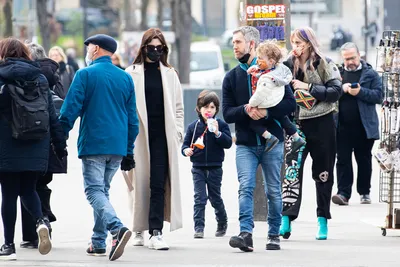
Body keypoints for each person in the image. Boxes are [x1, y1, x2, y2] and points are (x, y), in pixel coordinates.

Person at [59, 34, 139, 261]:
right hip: (117, 146)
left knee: (93, 191)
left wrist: (59, 136)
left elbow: (69, 110)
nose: (87, 50)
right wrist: (129, 150)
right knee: (102, 192)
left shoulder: (85, 75)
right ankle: (97, 242)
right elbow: (133, 119)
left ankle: (117, 228)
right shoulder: (124, 78)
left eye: (89, 46)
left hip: (94, 143)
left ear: (96, 49)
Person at [222, 26, 296, 252]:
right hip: (245, 144)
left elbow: (290, 104)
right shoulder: (232, 77)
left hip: (272, 142)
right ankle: (246, 234)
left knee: (273, 190)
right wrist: (246, 110)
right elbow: (226, 113)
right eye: (233, 42)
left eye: (238, 42)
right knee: (245, 187)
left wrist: (266, 112)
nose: (234, 46)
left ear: (251, 44)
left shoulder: (275, 73)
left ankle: (274, 234)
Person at [0, 37, 67, 260]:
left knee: (9, 194)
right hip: (36, 144)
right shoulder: (39, 78)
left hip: (7, 145)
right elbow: (52, 115)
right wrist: (60, 146)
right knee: (29, 190)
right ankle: (40, 221)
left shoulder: (1, 77)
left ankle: (8, 246)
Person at [280, 27, 343, 240]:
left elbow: (336, 92)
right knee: (291, 172)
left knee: (323, 173)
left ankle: (322, 220)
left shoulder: (324, 63)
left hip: (323, 123)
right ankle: (286, 218)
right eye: (293, 43)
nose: (295, 47)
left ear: (308, 43)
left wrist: (307, 86)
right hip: (295, 125)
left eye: (298, 43)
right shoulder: (287, 65)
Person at [125, 28, 184, 250]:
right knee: (138, 184)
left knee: (158, 183)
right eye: (152, 48)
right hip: (138, 136)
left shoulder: (170, 74)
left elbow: (179, 108)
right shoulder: (130, 73)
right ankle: (138, 227)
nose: (156, 52)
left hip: (162, 136)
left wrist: (177, 132)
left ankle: (156, 232)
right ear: (143, 48)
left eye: (161, 48)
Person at [18, 42, 68, 249]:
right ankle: (44, 221)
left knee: (27, 187)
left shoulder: (28, 78)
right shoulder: (54, 77)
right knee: (41, 185)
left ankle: (35, 229)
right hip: (52, 145)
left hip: (29, 142)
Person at [332, 42, 382, 205]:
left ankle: (364, 192)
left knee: (364, 160)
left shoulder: (371, 74)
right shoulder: (336, 74)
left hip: (364, 127)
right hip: (342, 126)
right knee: (343, 160)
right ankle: (343, 193)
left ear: (359, 56)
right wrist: (342, 89)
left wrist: (360, 92)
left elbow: (379, 96)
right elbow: (327, 94)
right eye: (346, 59)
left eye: (352, 58)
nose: (350, 62)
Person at [181, 90, 232, 239]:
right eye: (205, 107)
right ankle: (199, 227)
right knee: (199, 198)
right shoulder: (193, 127)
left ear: (216, 109)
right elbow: (184, 145)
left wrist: (217, 133)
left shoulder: (221, 124)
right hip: (198, 168)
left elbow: (228, 143)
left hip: (216, 167)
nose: (208, 110)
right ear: (199, 108)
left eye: (212, 107)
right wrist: (186, 151)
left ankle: (222, 222)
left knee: (215, 197)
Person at [246, 40, 306, 152]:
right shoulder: (277, 70)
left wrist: (251, 104)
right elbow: (261, 69)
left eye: (260, 58)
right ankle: (297, 138)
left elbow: (260, 94)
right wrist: (254, 69)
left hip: (268, 101)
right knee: (283, 118)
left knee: (253, 123)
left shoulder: (267, 78)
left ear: (271, 61)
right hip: (277, 100)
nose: (257, 61)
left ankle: (269, 138)